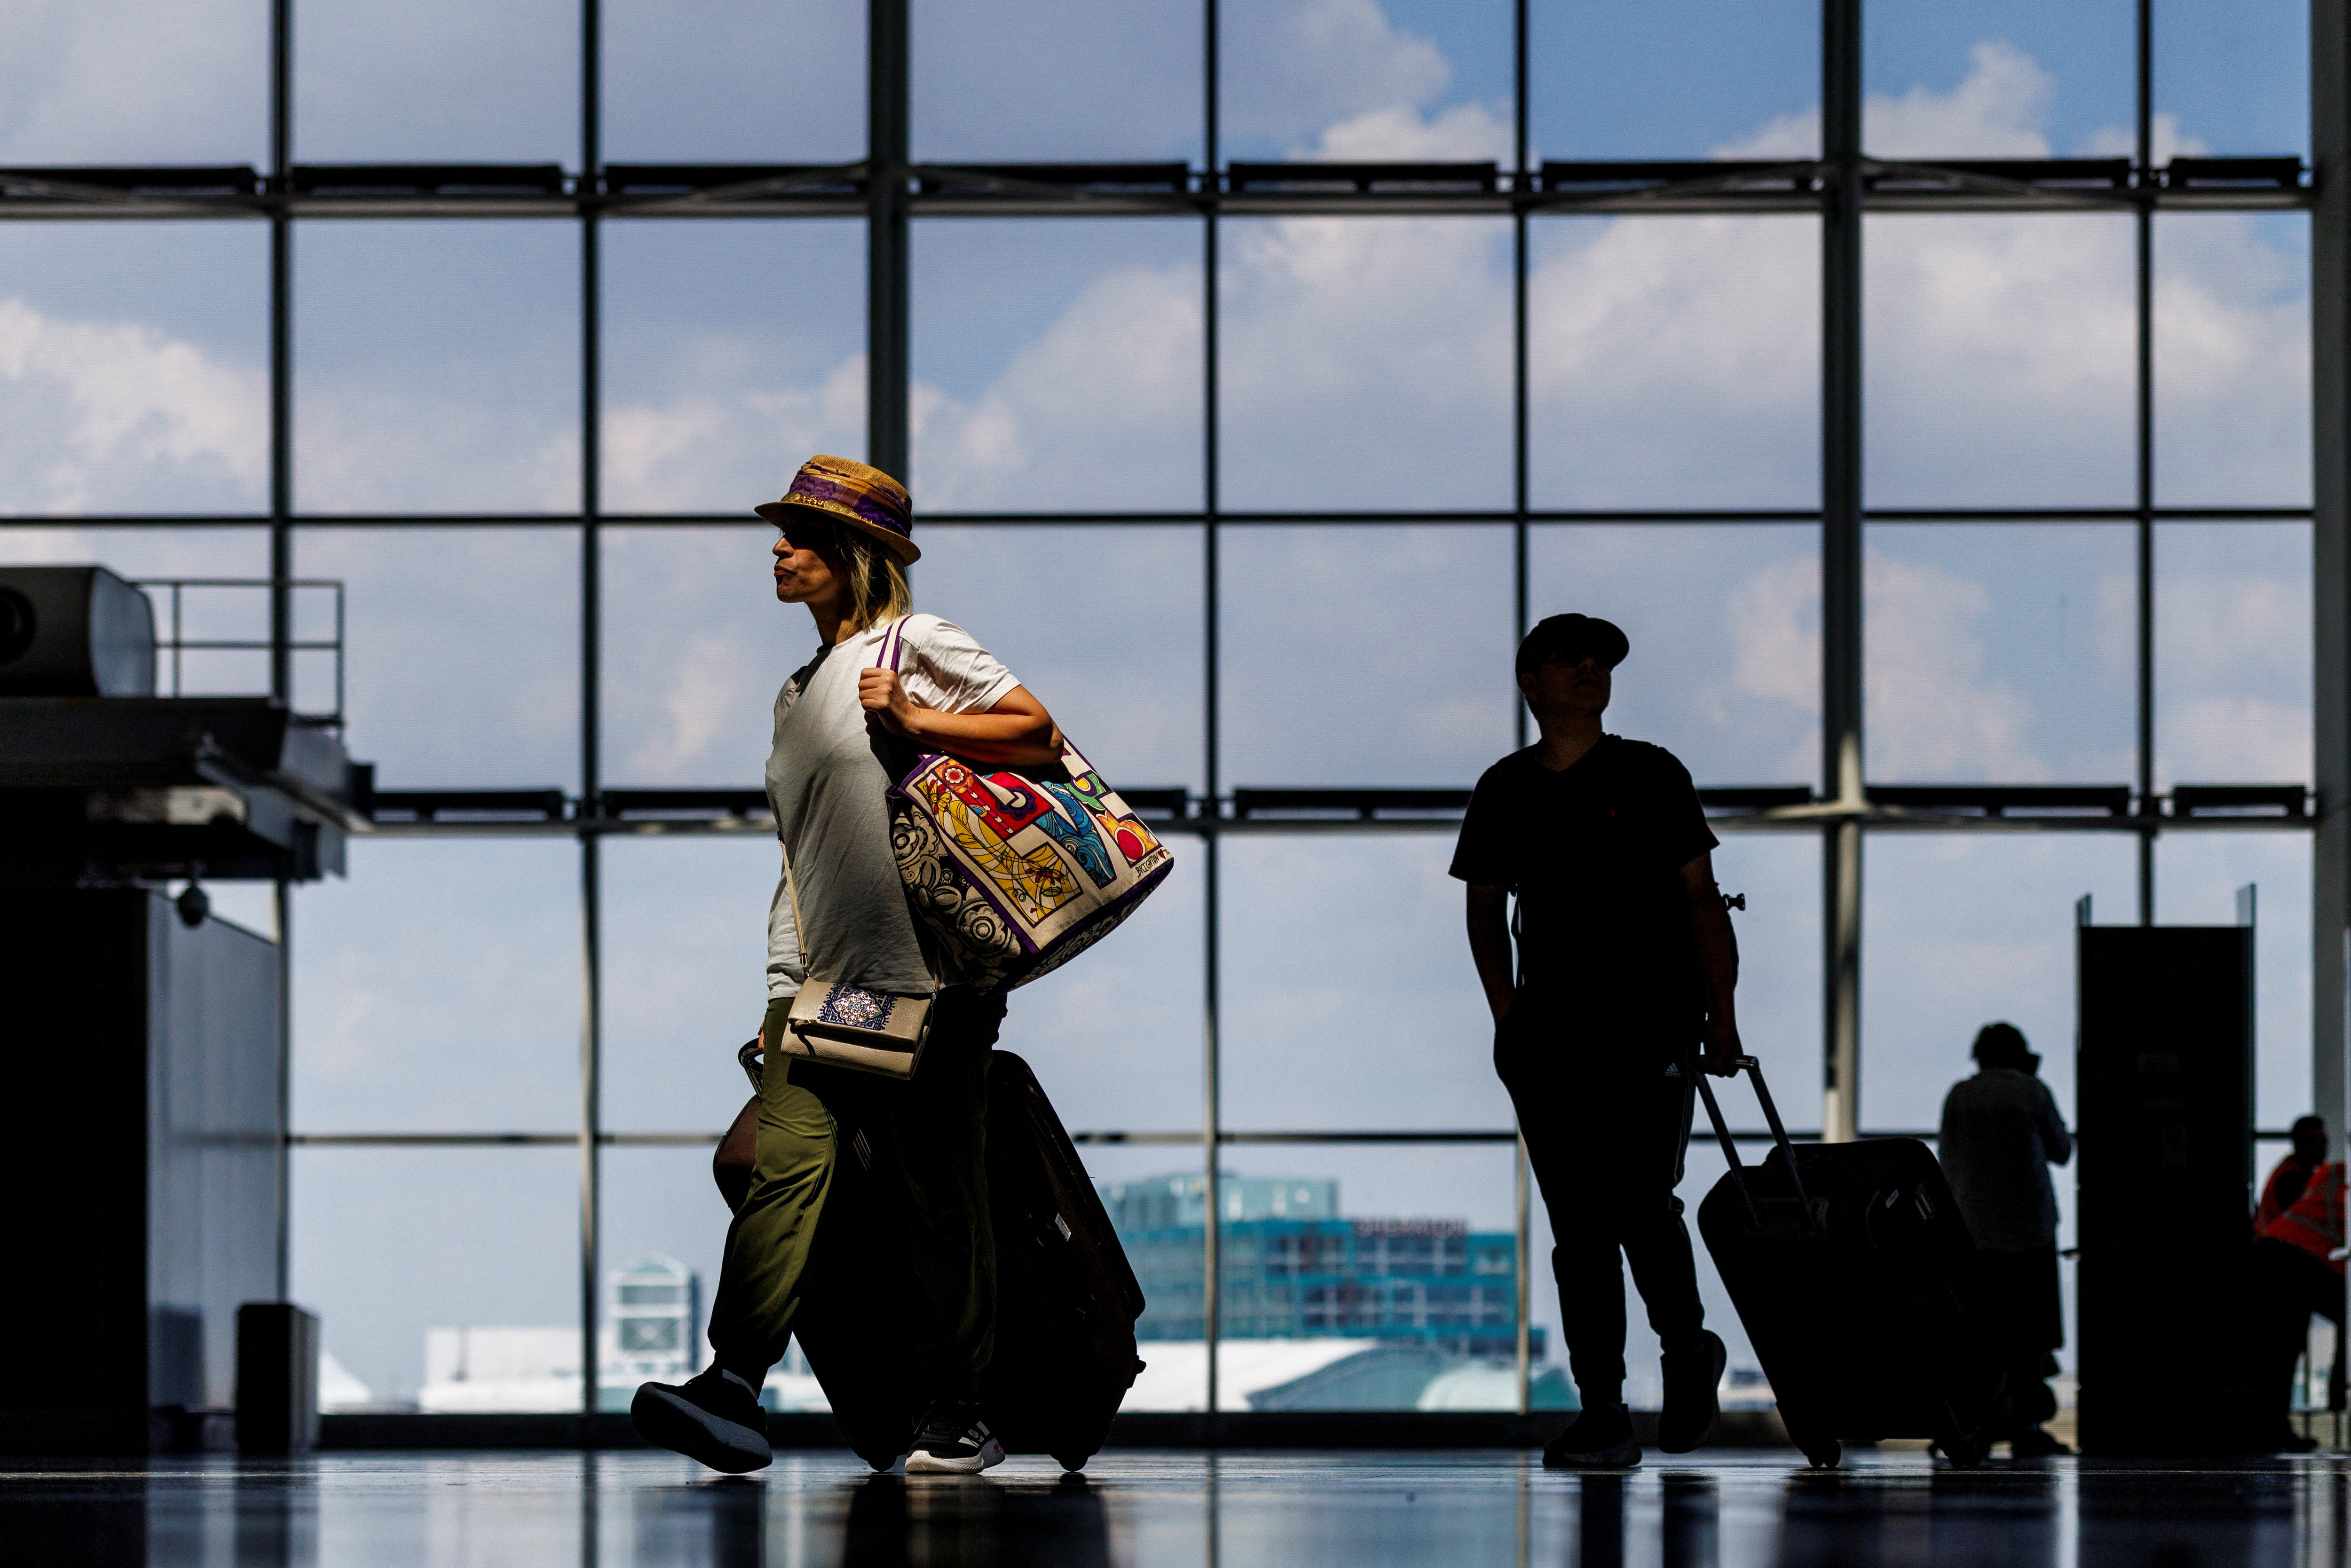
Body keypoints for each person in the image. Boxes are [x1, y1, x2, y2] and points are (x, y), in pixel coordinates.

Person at [630, 454, 1065, 1475]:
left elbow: (1038, 735)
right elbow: (808, 845)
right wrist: (782, 978)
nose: (778, 549)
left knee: (935, 1186)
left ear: (853, 553)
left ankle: (960, 1406)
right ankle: (735, 1385)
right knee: (776, 1170)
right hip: (822, 977)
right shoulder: (797, 689)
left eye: (798, 533)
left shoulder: (917, 644)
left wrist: (916, 720)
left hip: (930, 976)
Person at [1452, 613, 1742, 1468]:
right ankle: (1607, 1409)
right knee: (1581, 1223)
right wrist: (1510, 1017)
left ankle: (1684, 1353)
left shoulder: (1652, 774)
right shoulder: (1506, 788)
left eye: (1599, 661)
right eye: (1568, 660)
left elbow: (1701, 900)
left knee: (1640, 1202)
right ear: (1531, 683)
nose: (1589, 670)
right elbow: (1484, 908)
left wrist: (1718, 1014)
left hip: (1649, 1023)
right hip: (1553, 1033)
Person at [1937, 1022, 2074, 1458]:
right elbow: (2062, 1149)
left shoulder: (1959, 1095)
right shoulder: (2030, 1091)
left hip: (1972, 1231)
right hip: (2029, 1229)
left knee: (1979, 1334)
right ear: (2022, 1054)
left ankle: (1975, 1421)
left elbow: (1947, 1156)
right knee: (2031, 1336)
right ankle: (2026, 1426)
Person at [2251, 1153, 2346, 1452]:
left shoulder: (2329, 1173)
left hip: (2274, 1252)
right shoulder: (2314, 1178)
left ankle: (2273, 1428)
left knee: (2281, 1348)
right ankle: (2334, 1393)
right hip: (2297, 1260)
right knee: (2284, 1345)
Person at [2257, 1117, 2330, 1233]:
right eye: (2315, 1142)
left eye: (2324, 1142)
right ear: (2300, 1144)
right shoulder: (2289, 1179)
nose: (2323, 1149)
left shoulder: (2293, 1171)